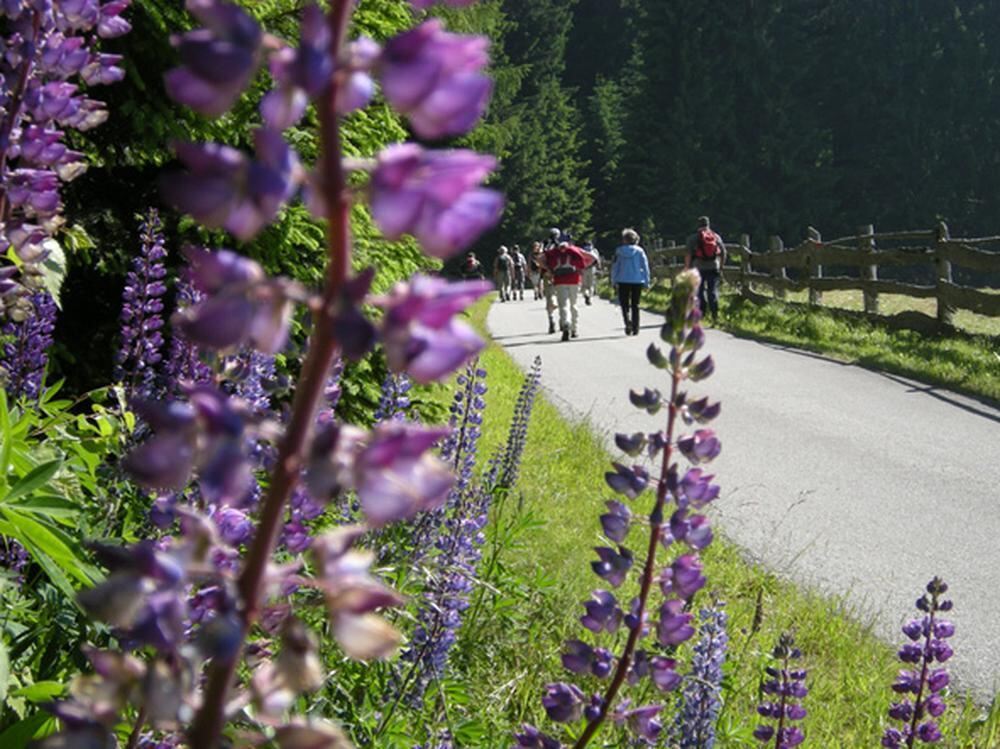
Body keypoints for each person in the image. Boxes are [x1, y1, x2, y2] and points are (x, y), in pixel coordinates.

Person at [544, 238, 594, 341]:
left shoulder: (555, 252)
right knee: (574, 304)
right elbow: (593, 257)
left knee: (563, 305)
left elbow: (539, 258)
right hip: (574, 280)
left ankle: (566, 322)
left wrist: (548, 269)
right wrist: (583, 267)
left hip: (559, 281)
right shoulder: (575, 251)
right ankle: (574, 329)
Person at [685, 215, 727, 323]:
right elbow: (723, 252)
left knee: (699, 291)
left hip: (698, 268)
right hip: (713, 267)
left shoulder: (693, 238)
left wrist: (687, 268)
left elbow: (688, 254)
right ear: (708, 224)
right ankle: (715, 314)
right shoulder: (716, 236)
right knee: (712, 291)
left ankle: (702, 313)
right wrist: (721, 266)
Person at [611, 228, 650, 336]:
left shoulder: (619, 251)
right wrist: (647, 281)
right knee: (635, 304)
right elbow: (645, 266)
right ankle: (635, 326)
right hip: (637, 280)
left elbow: (615, 267)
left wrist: (613, 280)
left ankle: (627, 321)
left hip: (622, 280)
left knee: (624, 304)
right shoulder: (640, 251)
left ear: (624, 240)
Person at [540, 228, 562, 333]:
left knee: (549, 298)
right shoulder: (561, 245)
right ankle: (562, 321)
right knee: (562, 298)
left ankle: (551, 320)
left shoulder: (544, 245)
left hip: (547, 274)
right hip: (560, 275)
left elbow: (539, 259)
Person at [580, 240, 602, 305]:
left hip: (583, 269)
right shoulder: (594, 251)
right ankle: (589, 297)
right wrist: (599, 268)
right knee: (591, 285)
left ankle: (585, 294)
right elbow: (597, 260)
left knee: (584, 285)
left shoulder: (582, 251)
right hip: (592, 269)